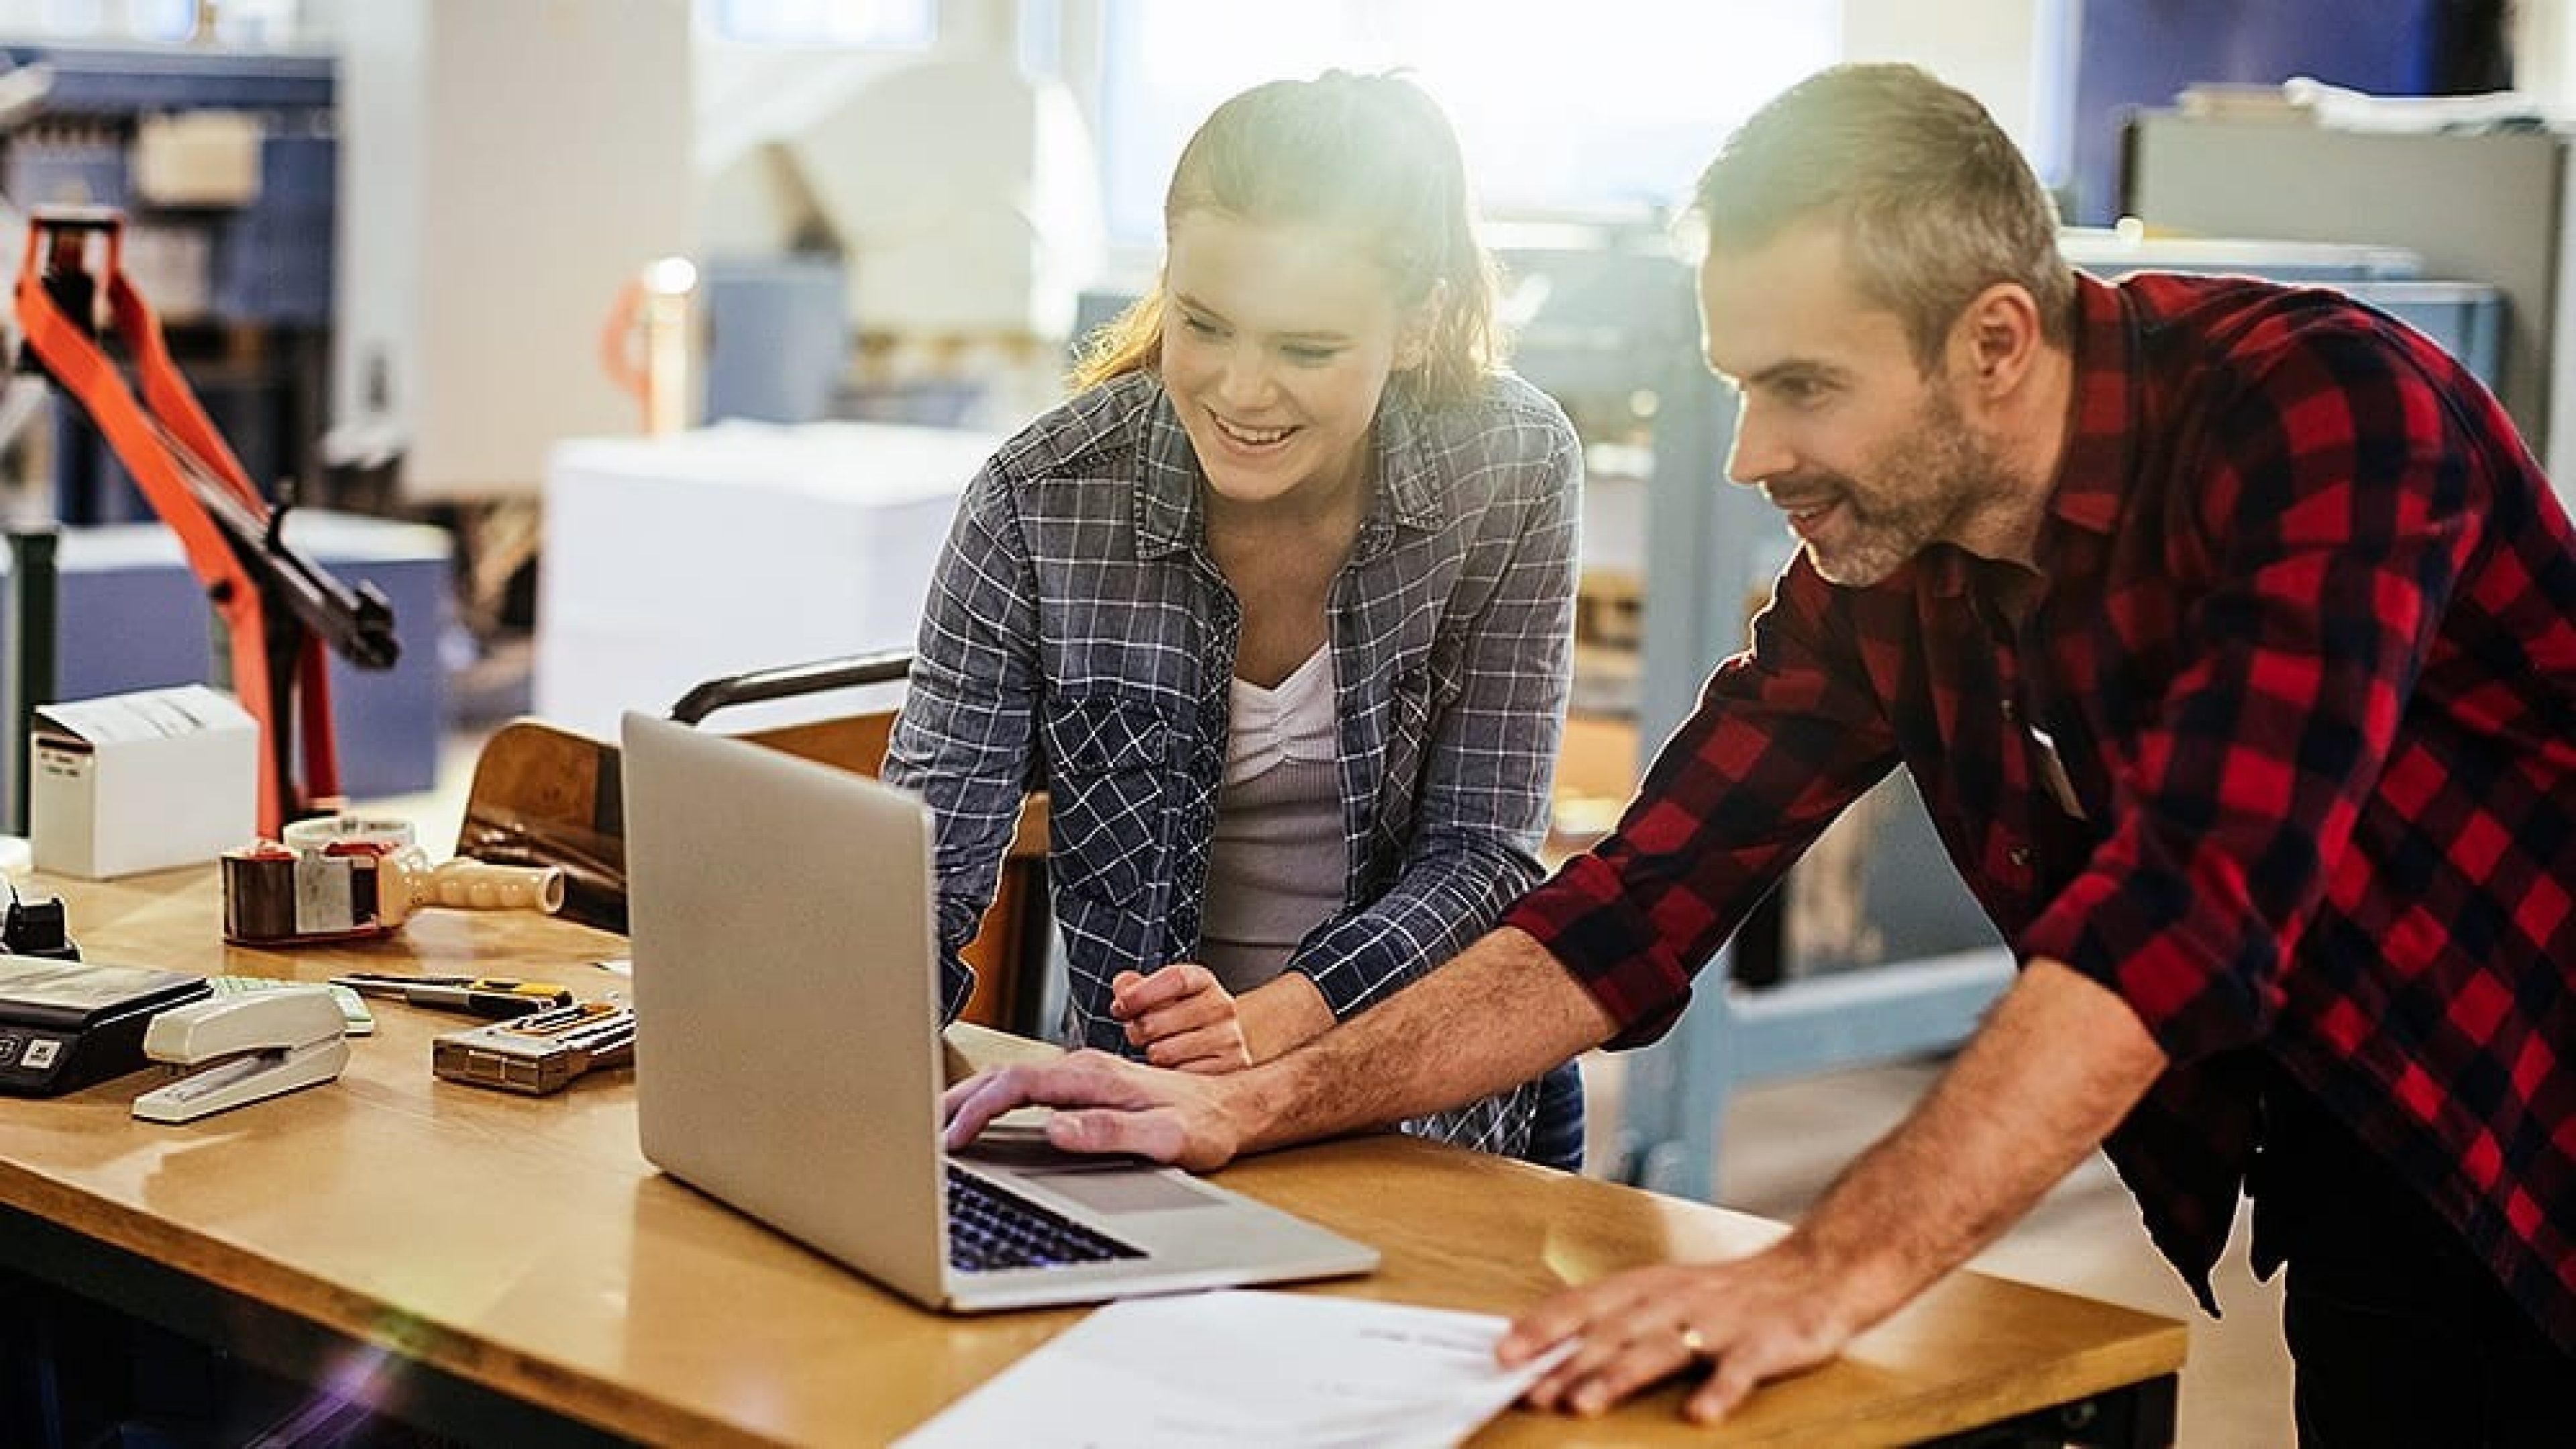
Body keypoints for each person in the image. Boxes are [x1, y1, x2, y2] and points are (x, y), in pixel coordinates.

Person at [943, 61, 2576, 1442]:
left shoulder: (2335, 418)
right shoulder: (1888, 568)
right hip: (2374, 1144)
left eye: (1804, 387)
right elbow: (1634, 908)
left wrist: (1820, 1267)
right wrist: (1265, 1101)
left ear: (1996, 342)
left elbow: (2190, 911)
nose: (1750, 454)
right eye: (1740, 382)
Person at [883, 70, 1589, 1168]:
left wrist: (1273, 1023)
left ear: (1417, 328)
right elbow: (926, 861)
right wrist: (833, 1061)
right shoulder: (1042, 498)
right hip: (1138, 1113)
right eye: (1205, 326)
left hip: (1414, 1111)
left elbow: (1483, 852)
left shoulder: (1511, 466)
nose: (1240, 390)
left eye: (1305, 350)